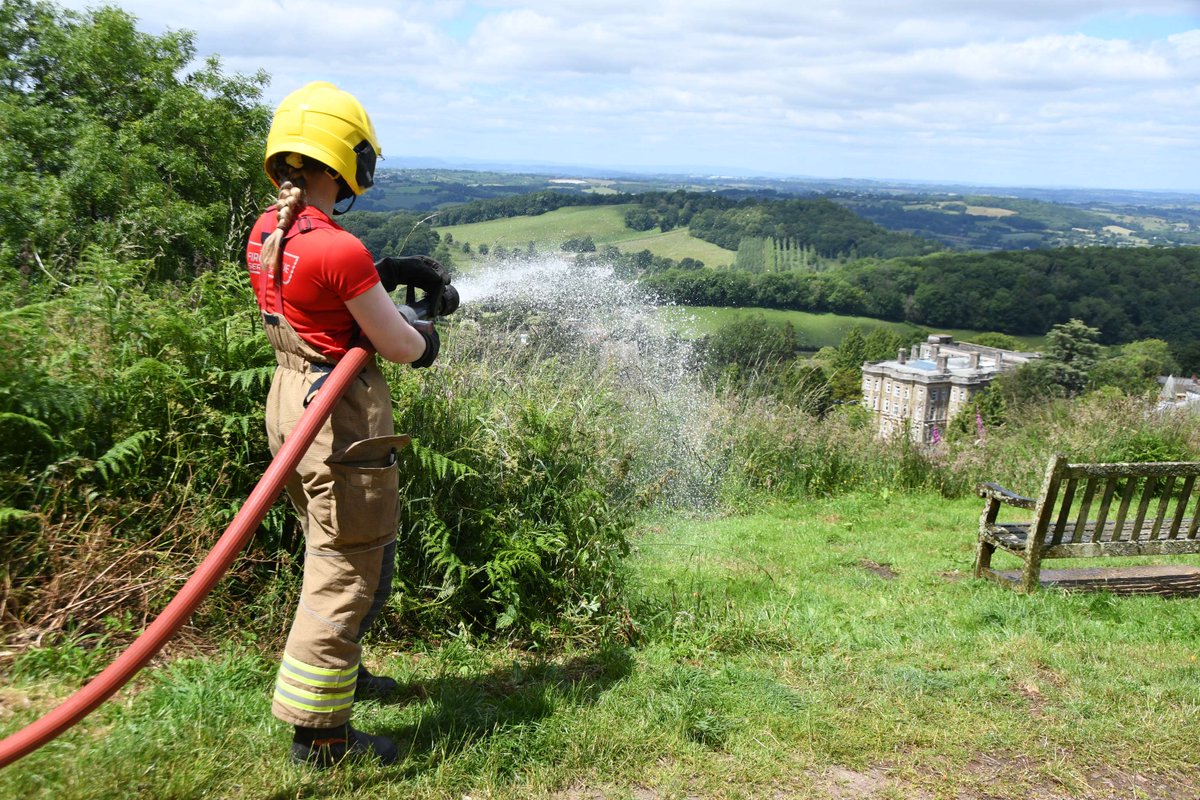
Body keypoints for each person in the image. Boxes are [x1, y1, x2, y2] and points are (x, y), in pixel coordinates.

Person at [245, 81, 448, 768]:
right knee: (344, 569)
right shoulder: (339, 249)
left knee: (337, 548)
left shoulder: (271, 231)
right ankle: (321, 737)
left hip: (290, 404)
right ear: (345, 160)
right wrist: (427, 335)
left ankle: (341, 675)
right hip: (339, 420)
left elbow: (322, 303)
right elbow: (396, 345)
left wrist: (383, 273)